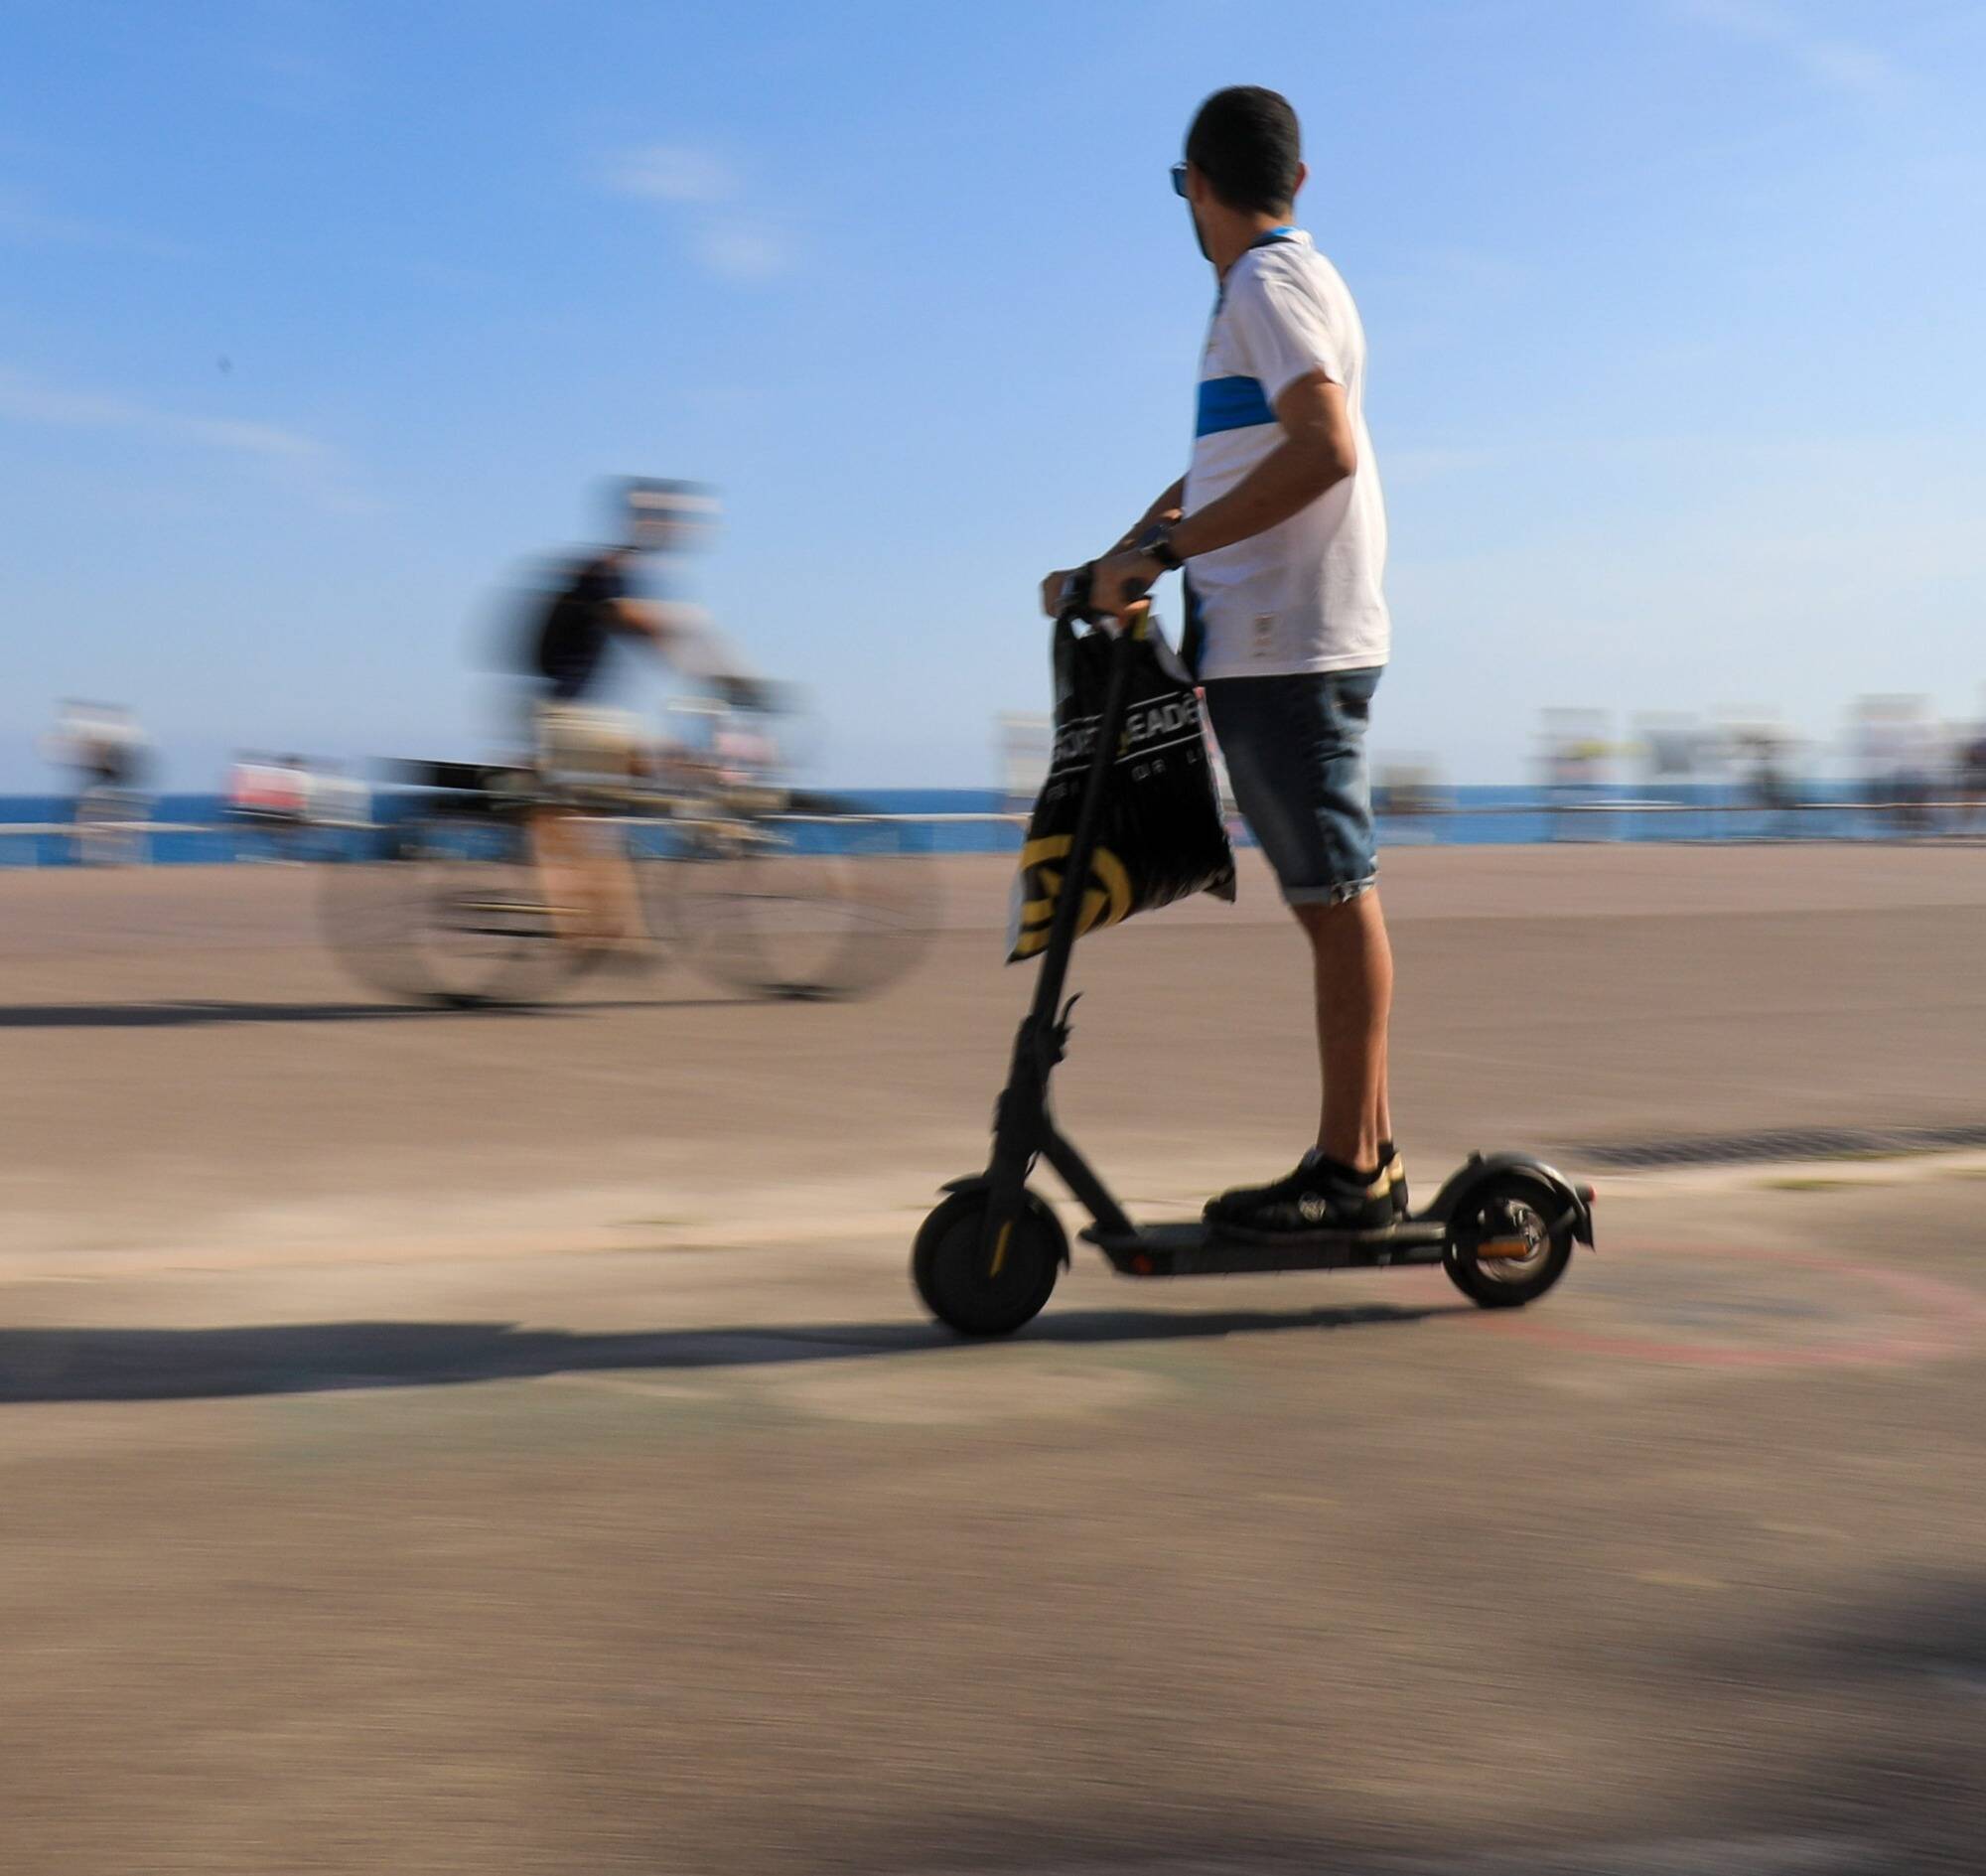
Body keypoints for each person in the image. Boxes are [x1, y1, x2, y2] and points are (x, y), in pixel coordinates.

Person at [1038, 86, 1399, 1234]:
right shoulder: (1287, 282)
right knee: (1325, 895)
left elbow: (1322, 447)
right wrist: (1127, 553)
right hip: (1270, 643)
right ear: (1294, 180)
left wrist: (1173, 550)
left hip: (1288, 645)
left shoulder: (1266, 282)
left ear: (1197, 188)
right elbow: (1227, 463)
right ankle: (1365, 1156)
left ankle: (1351, 1173)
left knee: (1332, 897)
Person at [517, 479, 760, 953]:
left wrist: (702, 656)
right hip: (568, 718)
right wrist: (727, 678)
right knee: (672, 763)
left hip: (564, 715)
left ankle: (596, 928)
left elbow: (654, 630)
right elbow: (646, 627)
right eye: (675, 517)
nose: (683, 528)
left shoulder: (611, 570)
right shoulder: (607, 571)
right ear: (650, 521)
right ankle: (716, 835)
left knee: (593, 821)